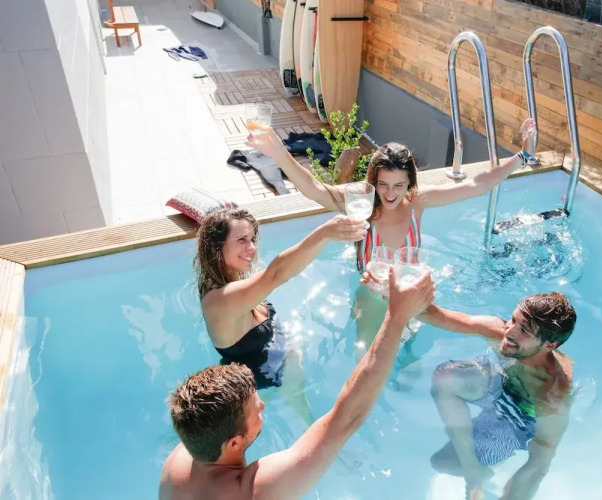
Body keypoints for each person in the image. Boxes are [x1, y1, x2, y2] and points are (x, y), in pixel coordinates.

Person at [247, 119, 538, 351]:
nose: (389, 193)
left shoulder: (417, 202)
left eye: (399, 185)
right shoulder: (361, 204)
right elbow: (313, 189)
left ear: (410, 183)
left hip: (410, 290)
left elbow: (476, 185)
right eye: (383, 184)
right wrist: (278, 152)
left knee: (409, 357)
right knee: (366, 353)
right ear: (373, 181)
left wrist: (522, 156)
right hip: (370, 293)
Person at [159, 268, 436, 500]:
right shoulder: (254, 491)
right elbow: (347, 417)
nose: (262, 405)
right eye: (255, 409)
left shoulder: (179, 460)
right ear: (233, 443)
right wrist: (397, 317)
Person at [194, 208, 366, 424]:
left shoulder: (226, 277)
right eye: (242, 240)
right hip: (264, 377)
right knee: (307, 421)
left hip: (273, 360)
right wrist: (324, 233)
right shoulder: (219, 301)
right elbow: (276, 274)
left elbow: (279, 274)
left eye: (252, 239)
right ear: (216, 247)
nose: (252, 248)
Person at [420, 292, 577, 499]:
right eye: (513, 319)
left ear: (550, 345)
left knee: (443, 462)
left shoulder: (551, 393)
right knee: (445, 376)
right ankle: (473, 470)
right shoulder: (501, 332)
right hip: (496, 378)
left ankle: (476, 472)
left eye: (524, 330)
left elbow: (538, 464)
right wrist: (395, 293)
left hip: (517, 415)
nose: (509, 331)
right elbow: (436, 315)